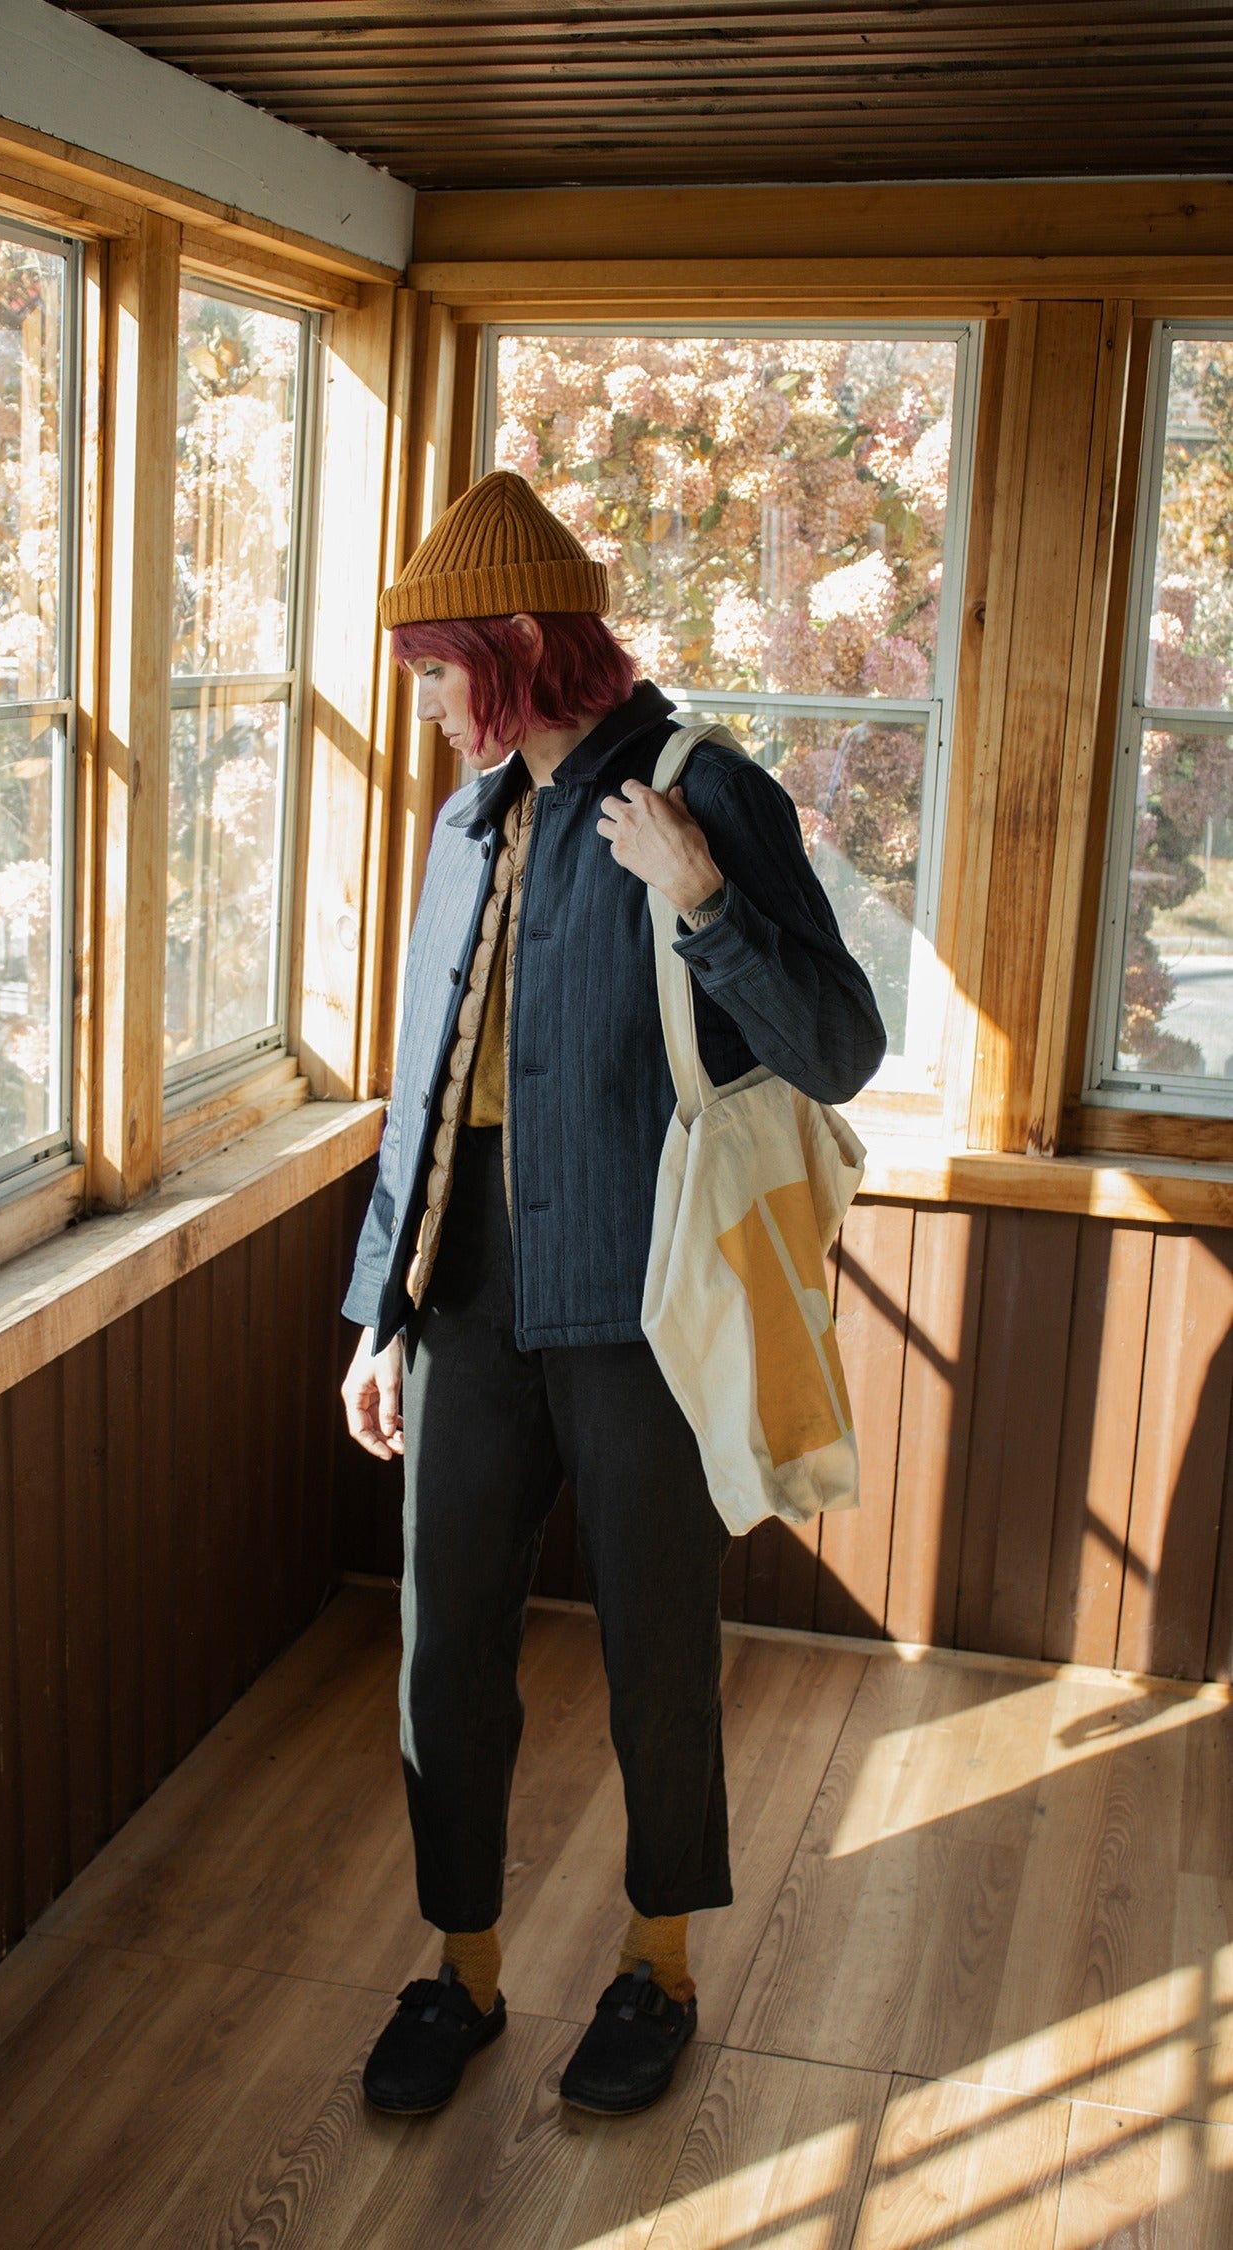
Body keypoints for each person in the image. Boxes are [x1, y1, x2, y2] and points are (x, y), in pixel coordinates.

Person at [340, 469, 885, 2117]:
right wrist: (382, 1307)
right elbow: (425, 1082)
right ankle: (465, 1970)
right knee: (446, 1650)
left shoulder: (701, 787)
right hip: (470, 1304)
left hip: (646, 1305)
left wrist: (702, 897)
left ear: (516, 644)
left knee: (655, 1644)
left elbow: (841, 1042)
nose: (429, 704)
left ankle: (657, 1966)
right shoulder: (473, 810)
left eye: (443, 669)